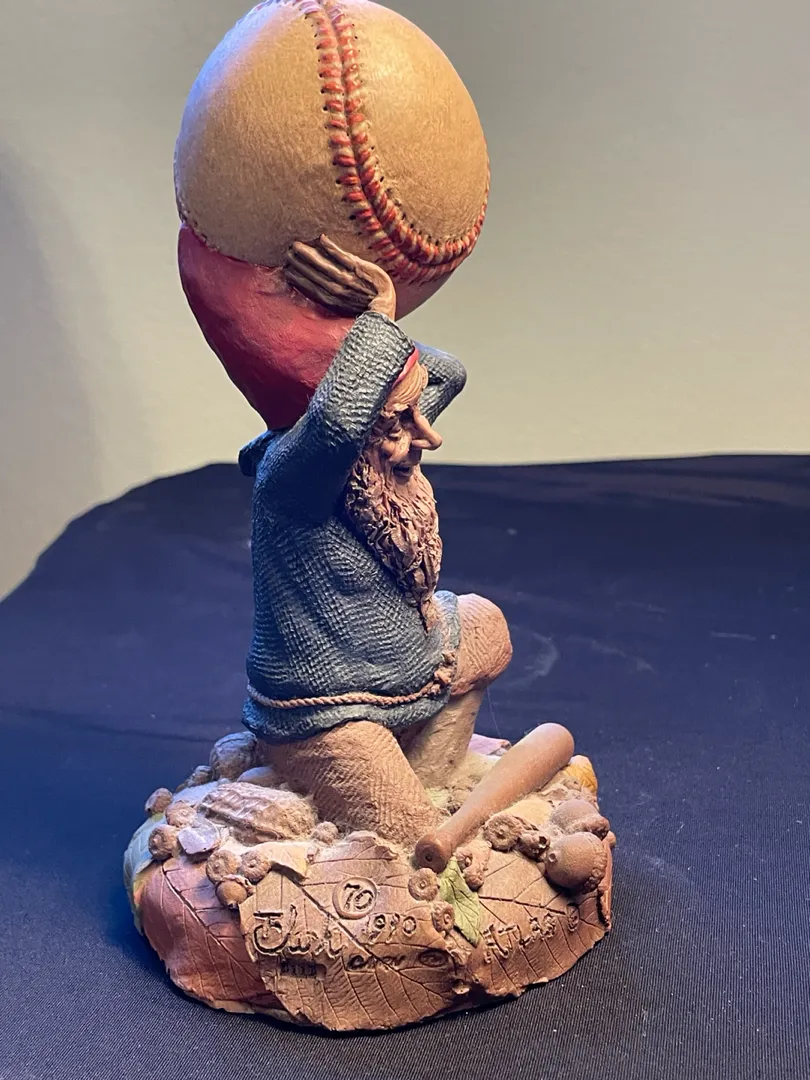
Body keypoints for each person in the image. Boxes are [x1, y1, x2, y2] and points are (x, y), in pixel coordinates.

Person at [238, 237, 512, 844]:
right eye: (398, 421)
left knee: (485, 624)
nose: (427, 437)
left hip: (408, 665)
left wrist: (353, 321)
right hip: (329, 710)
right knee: (411, 840)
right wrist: (380, 313)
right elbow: (337, 419)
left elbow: (447, 373)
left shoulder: (374, 445)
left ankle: (429, 775)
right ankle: (395, 802)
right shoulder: (296, 479)